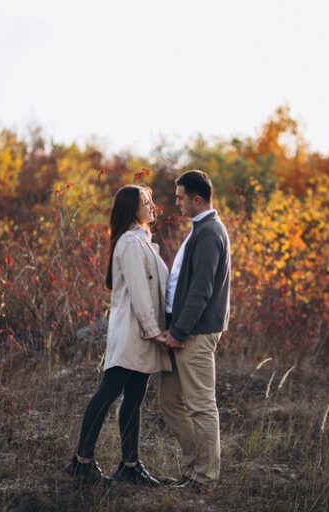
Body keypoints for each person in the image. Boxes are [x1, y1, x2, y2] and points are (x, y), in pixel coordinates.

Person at [65, 185, 171, 486]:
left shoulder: (143, 241)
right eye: (146, 202)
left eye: (152, 200)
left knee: (134, 397)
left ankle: (129, 465)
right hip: (133, 333)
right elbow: (139, 292)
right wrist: (154, 332)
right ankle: (81, 462)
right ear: (131, 208)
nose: (152, 206)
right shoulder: (129, 242)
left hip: (144, 333)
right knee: (108, 392)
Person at [159, 170, 231, 490]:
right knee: (170, 400)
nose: (177, 202)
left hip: (196, 333)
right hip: (183, 330)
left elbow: (201, 289)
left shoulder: (210, 232)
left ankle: (204, 479)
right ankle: (193, 468)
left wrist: (180, 330)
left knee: (201, 405)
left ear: (196, 199)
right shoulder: (199, 230)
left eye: (180, 197)